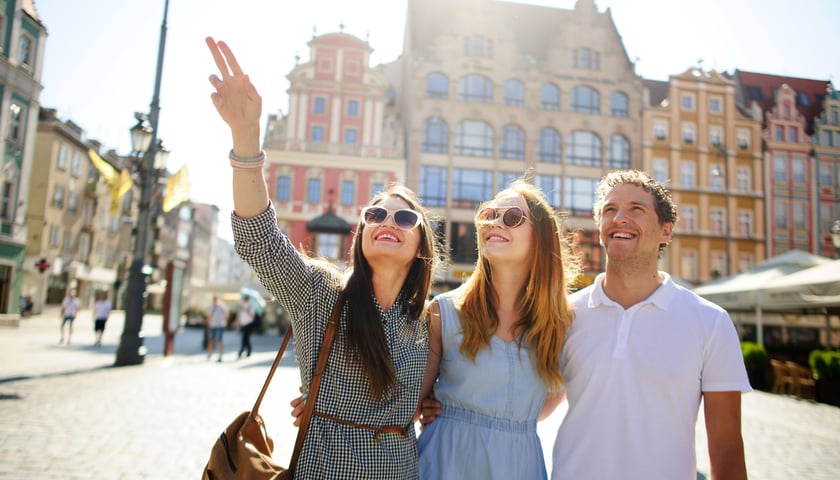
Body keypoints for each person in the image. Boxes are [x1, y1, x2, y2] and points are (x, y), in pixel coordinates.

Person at [206, 36, 443, 478]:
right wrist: (246, 138)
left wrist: (431, 405)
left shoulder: (429, 319)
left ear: (421, 246)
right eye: (376, 213)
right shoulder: (321, 293)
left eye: (404, 217)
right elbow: (259, 241)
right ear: (362, 232)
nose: (387, 220)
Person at [550, 169, 750, 479]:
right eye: (609, 210)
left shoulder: (710, 322)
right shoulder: (565, 315)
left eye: (636, 209)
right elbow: (531, 406)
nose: (619, 218)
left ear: (665, 231)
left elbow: (726, 449)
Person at [415, 180, 578, 479]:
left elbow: (542, 408)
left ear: (540, 238)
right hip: (444, 463)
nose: (494, 223)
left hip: (519, 467)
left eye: (512, 217)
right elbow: (408, 405)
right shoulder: (444, 312)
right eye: (489, 214)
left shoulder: (560, 323)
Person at [206, 294, 228, 362]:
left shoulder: (222, 306)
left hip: (219, 325)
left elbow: (226, 313)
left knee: (219, 340)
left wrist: (224, 321)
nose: (215, 300)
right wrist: (208, 323)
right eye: (214, 299)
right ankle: (209, 354)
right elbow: (208, 316)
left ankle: (220, 356)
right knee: (211, 340)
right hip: (212, 325)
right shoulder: (210, 306)